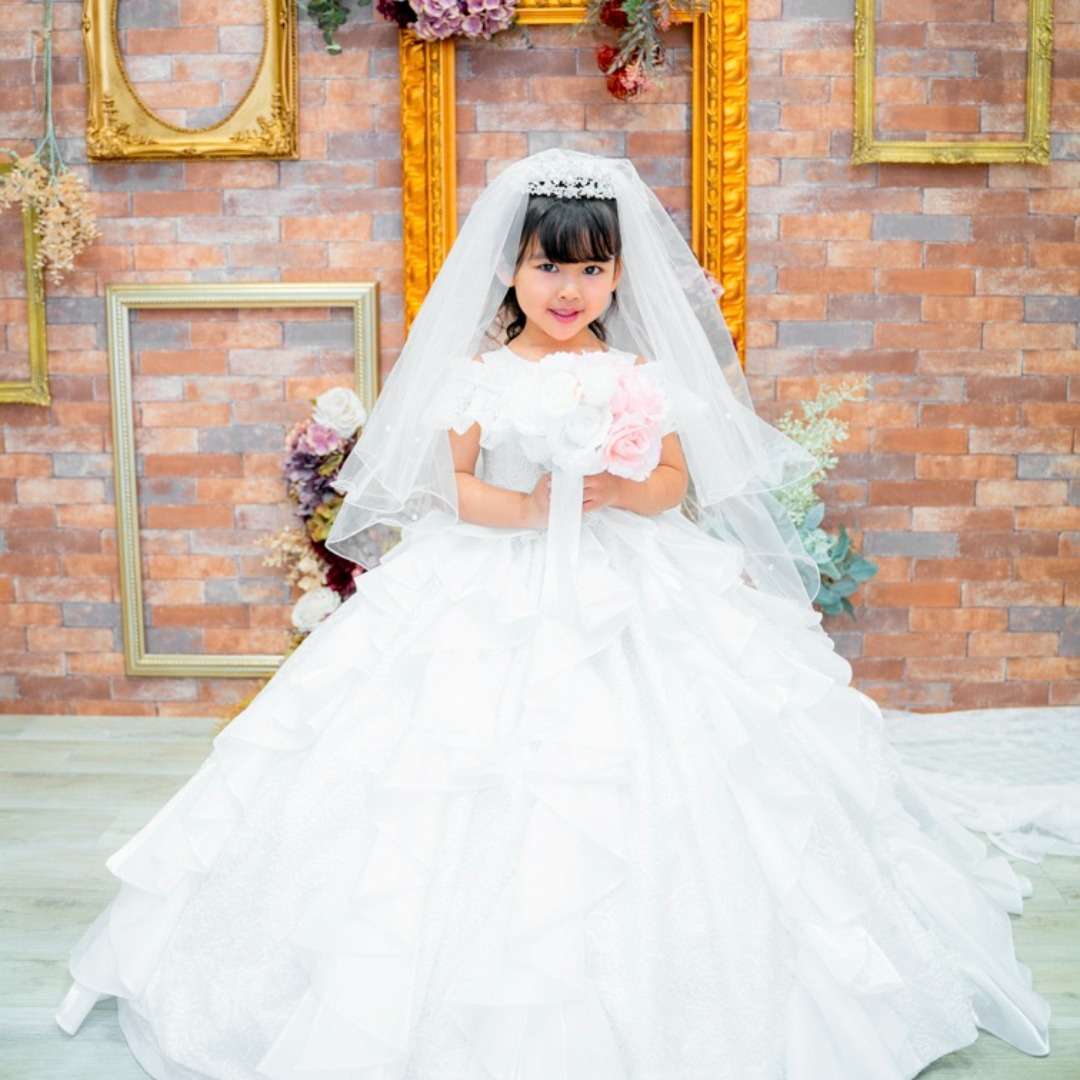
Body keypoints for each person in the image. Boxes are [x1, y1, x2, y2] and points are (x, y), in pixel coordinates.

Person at [56, 149, 1051, 1079]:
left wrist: (619, 490)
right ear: (511, 271)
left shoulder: (637, 380)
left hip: (626, 575)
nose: (569, 290)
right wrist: (529, 509)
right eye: (548, 268)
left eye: (591, 270)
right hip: (496, 573)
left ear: (617, 277)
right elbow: (452, 485)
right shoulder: (479, 378)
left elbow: (672, 482)